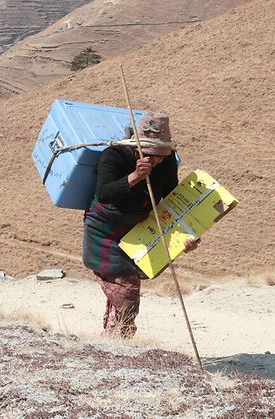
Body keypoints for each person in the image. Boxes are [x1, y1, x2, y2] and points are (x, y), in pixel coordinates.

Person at [81, 112, 198, 337]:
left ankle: (111, 340)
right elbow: (104, 194)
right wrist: (134, 176)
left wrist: (187, 234)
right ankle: (120, 341)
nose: (158, 160)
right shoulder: (113, 156)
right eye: (152, 154)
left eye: (162, 154)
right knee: (127, 290)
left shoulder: (167, 162)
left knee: (131, 279)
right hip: (105, 229)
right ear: (138, 148)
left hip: (138, 228)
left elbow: (170, 201)